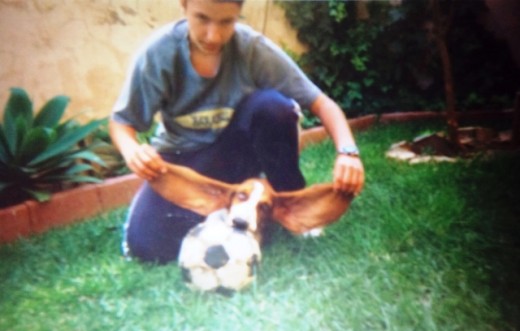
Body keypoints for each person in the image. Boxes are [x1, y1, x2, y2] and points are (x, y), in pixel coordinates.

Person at [109, 0, 365, 264]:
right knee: (146, 247)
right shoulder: (159, 53)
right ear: (184, 5)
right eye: (202, 19)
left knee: (272, 107)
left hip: (234, 152)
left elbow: (321, 103)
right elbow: (121, 122)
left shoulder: (252, 48)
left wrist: (348, 151)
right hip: (185, 158)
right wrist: (132, 150)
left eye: (226, 22)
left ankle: (287, 205)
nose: (214, 35)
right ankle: (241, 210)